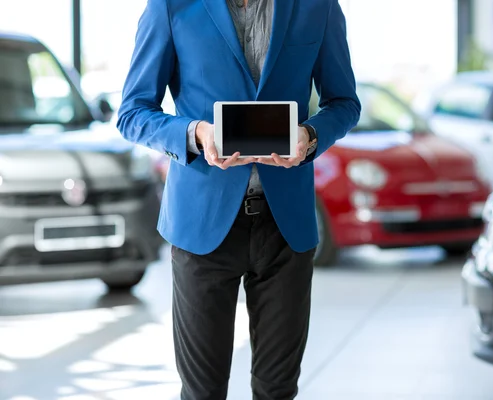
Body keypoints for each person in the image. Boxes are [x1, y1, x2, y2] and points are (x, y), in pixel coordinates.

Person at [117, 0, 360, 398]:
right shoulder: (170, 6)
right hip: (202, 222)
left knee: (277, 390)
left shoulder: (317, 6)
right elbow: (133, 112)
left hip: (286, 225)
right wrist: (194, 133)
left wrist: (311, 136)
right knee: (202, 392)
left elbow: (345, 104)